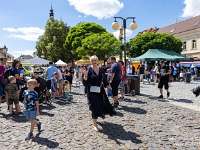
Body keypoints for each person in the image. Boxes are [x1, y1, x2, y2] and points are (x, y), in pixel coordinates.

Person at [83, 55, 116, 131]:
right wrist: (85, 76)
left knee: (101, 104)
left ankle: (96, 117)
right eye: (92, 61)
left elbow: (104, 79)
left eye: (95, 60)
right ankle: (94, 124)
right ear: (90, 61)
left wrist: (107, 85)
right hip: (91, 91)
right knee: (94, 106)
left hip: (100, 90)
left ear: (97, 61)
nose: (94, 62)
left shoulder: (101, 69)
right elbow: (85, 82)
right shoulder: (88, 69)